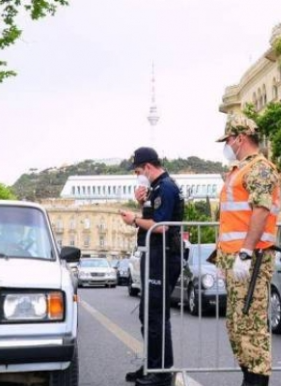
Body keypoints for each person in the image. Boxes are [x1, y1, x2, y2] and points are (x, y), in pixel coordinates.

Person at [214, 116, 281, 386]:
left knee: (251, 330)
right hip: (236, 261)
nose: (227, 144)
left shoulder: (259, 168)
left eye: (228, 139)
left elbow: (261, 210)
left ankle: (255, 382)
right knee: (237, 326)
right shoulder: (239, 170)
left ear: (240, 138)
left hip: (251, 261)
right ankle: (248, 379)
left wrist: (245, 252)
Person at [119, 147, 184, 386]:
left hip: (164, 255)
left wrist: (133, 220)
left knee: (156, 314)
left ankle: (162, 372)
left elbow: (161, 225)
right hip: (155, 254)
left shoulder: (166, 187)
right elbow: (152, 217)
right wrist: (142, 203)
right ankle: (152, 364)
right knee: (149, 313)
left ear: (147, 167)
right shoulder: (155, 189)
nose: (136, 176)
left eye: (137, 171)